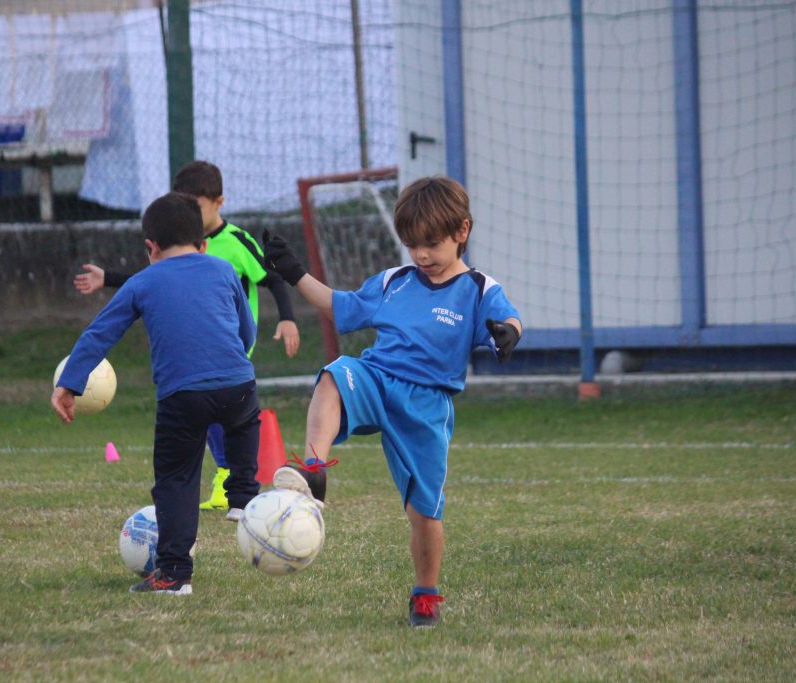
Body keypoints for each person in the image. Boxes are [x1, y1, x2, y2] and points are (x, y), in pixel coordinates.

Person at [262, 176, 522, 627]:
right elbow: (338, 304)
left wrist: (509, 333)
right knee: (334, 376)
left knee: (424, 512)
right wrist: (294, 270)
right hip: (378, 378)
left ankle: (425, 595)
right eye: (412, 246)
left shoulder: (478, 288)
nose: (421, 256)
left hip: (426, 405)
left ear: (462, 231)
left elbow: (509, 317)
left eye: (432, 244)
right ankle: (314, 472)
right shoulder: (395, 281)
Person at [52, 191, 261, 595]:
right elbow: (246, 329)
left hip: (182, 397)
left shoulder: (141, 282)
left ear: (150, 247)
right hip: (239, 384)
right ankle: (244, 497)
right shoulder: (222, 270)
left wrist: (70, 383)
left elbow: (101, 334)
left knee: (177, 480)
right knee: (243, 422)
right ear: (202, 244)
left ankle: (174, 575)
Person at [75, 161, 299, 514]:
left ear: (219, 202)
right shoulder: (188, 249)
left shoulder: (236, 243)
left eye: (197, 204)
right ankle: (235, 488)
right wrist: (110, 278)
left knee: (214, 417)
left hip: (229, 351)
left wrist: (287, 319)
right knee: (217, 415)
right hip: (218, 363)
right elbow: (156, 280)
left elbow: (270, 279)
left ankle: (229, 486)